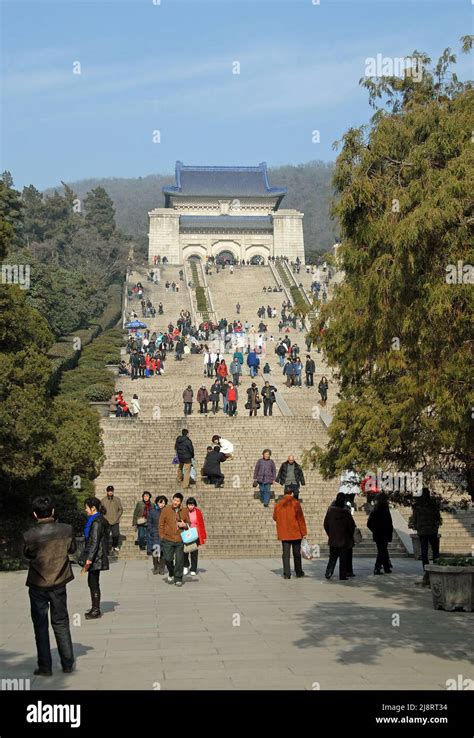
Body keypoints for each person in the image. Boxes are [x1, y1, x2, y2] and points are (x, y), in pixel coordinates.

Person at [23, 496, 76, 676]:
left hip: (38, 583)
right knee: (61, 622)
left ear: (35, 514)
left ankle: (45, 666)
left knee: (40, 625)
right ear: (53, 512)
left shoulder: (30, 535)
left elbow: (27, 555)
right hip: (60, 581)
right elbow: (72, 549)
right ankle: (68, 663)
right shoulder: (66, 530)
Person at [82, 496, 110, 619]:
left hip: (96, 557)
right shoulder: (97, 520)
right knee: (92, 582)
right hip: (96, 555)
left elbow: (94, 541)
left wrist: (89, 559)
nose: (85, 510)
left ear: (93, 508)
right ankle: (95, 608)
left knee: (93, 583)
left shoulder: (97, 521)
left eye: (86, 508)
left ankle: (96, 610)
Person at [409, 487, 442, 586]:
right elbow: (437, 516)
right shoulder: (433, 504)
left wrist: (414, 525)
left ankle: (426, 568)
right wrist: (437, 523)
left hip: (423, 530)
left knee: (424, 550)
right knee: (435, 550)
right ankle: (436, 566)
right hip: (432, 529)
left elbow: (415, 517)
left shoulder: (417, 505)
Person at [273, 487, 307, 579]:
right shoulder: (295, 503)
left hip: (284, 532)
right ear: (292, 493)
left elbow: (275, 517)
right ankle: (298, 572)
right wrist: (303, 532)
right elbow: (300, 518)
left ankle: (287, 573)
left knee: (286, 554)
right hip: (295, 532)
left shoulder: (278, 504)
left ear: (284, 493)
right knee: (296, 553)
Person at [159, 493, 191, 587]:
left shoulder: (184, 511)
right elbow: (161, 524)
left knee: (179, 560)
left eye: (177, 501)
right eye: (174, 500)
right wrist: (162, 536)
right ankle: (171, 572)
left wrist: (185, 525)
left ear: (180, 502)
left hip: (180, 539)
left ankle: (178, 578)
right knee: (168, 559)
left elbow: (189, 522)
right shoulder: (166, 510)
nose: (175, 502)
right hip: (168, 539)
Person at [323, 492, 355, 581]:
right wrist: (349, 535)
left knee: (332, 558)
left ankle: (328, 572)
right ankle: (342, 575)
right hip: (344, 539)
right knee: (343, 559)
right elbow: (351, 526)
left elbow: (325, 524)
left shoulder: (330, 512)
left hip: (333, 539)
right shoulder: (347, 513)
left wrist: (330, 533)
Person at [367, 492, 393, 575]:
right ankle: (377, 568)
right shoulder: (384, 510)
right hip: (384, 533)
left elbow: (369, 524)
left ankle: (386, 567)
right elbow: (389, 523)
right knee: (382, 550)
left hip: (378, 533)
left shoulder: (376, 510)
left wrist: (374, 530)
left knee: (383, 550)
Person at [183, 497, 207, 576]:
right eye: (189, 505)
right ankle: (186, 566)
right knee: (185, 552)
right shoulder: (184, 511)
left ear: (195, 505)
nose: (190, 506)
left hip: (195, 535)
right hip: (186, 534)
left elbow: (201, 524)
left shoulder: (198, 512)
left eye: (192, 505)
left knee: (194, 552)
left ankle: (193, 568)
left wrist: (203, 535)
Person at [147, 496, 168, 575]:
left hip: (165, 535)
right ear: (156, 502)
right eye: (160, 502)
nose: (161, 504)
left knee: (164, 553)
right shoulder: (152, 511)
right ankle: (155, 566)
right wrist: (152, 531)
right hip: (155, 534)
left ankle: (162, 568)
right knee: (156, 552)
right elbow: (149, 523)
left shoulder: (167, 511)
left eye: (163, 503)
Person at [101, 485, 123, 553]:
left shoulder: (117, 499)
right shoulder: (103, 500)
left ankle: (115, 546)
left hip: (115, 520)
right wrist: (103, 517)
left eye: (111, 491)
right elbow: (101, 510)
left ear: (113, 492)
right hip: (106, 521)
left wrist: (118, 516)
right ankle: (107, 548)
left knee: (116, 534)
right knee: (106, 536)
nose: (110, 492)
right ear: (107, 492)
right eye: (109, 491)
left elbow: (120, 509)